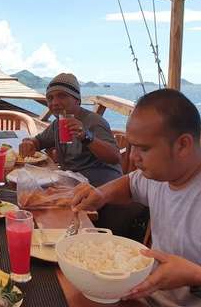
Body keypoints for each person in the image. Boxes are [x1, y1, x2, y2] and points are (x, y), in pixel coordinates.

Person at [70, 89, 201, 307]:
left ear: (182, 145)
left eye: (143, 149)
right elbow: (130, 183)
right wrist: (101, 195)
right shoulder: (160, 174)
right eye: (131, 145)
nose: (133, 157)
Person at [19, 72, 146, 238]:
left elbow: (115, 156)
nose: (55, 102)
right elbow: (39, 141)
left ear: (77, 99)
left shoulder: (94, 122)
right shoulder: (59, 123)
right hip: (73, 187)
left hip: (102, 193)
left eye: (62, 96)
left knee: (43, 209)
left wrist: (86, 136)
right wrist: (30, 143)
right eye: (50, 98)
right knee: (30, 200)